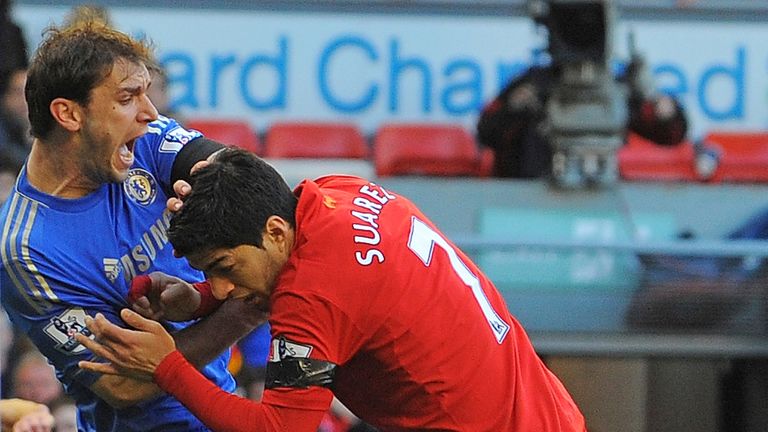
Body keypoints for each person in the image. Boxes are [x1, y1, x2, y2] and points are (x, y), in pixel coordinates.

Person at [76, 147, 586, 431]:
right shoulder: (336, 192)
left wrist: (165, 366)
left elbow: (279, 431)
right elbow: (339, 290)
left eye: (224, 267)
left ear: (275, 230)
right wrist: (199, 298)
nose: (223, 285)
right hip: (549, 410)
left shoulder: (313, 296)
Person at [0, 20, 265, 431]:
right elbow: (122, 385)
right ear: (68, 113)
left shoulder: (144, 139)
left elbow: (240, 181)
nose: (150, 113)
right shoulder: (26, 249)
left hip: (218, 407)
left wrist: (219, 199)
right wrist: (242, 314)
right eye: (127, 98)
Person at [477, 2, 688, 179]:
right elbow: (485, 131)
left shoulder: (614, 90)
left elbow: (673, 134)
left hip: (601, 194)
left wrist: (663, 110)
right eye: (571, 27)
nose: (580, 34)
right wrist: (514, 108)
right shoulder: (534, 83)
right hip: (533, 193)